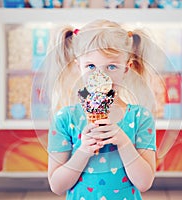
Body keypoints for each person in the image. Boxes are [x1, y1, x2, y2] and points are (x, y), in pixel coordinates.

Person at [45, 19, 161, 200]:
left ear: (126, 68)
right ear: (79, 67)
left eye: (111, 66)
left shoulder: (140, 117)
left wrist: (123, 142)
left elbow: (144, 183)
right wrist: (83, 150)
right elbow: (57, 186)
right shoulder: (65, 119)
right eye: (90, 66)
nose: (100, 76)